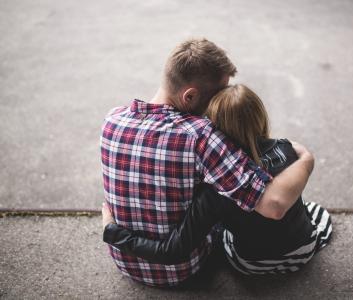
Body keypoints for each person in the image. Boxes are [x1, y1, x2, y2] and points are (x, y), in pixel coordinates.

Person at [100, 39, 315, 287]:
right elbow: (273, 204)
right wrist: (307, 160)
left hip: (124, 261)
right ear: (189, 96)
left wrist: (112, 231)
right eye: (216, 96)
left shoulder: (112, 119)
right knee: (225, 201)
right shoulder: (201, 136)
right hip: (183, 272)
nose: (219, 103)